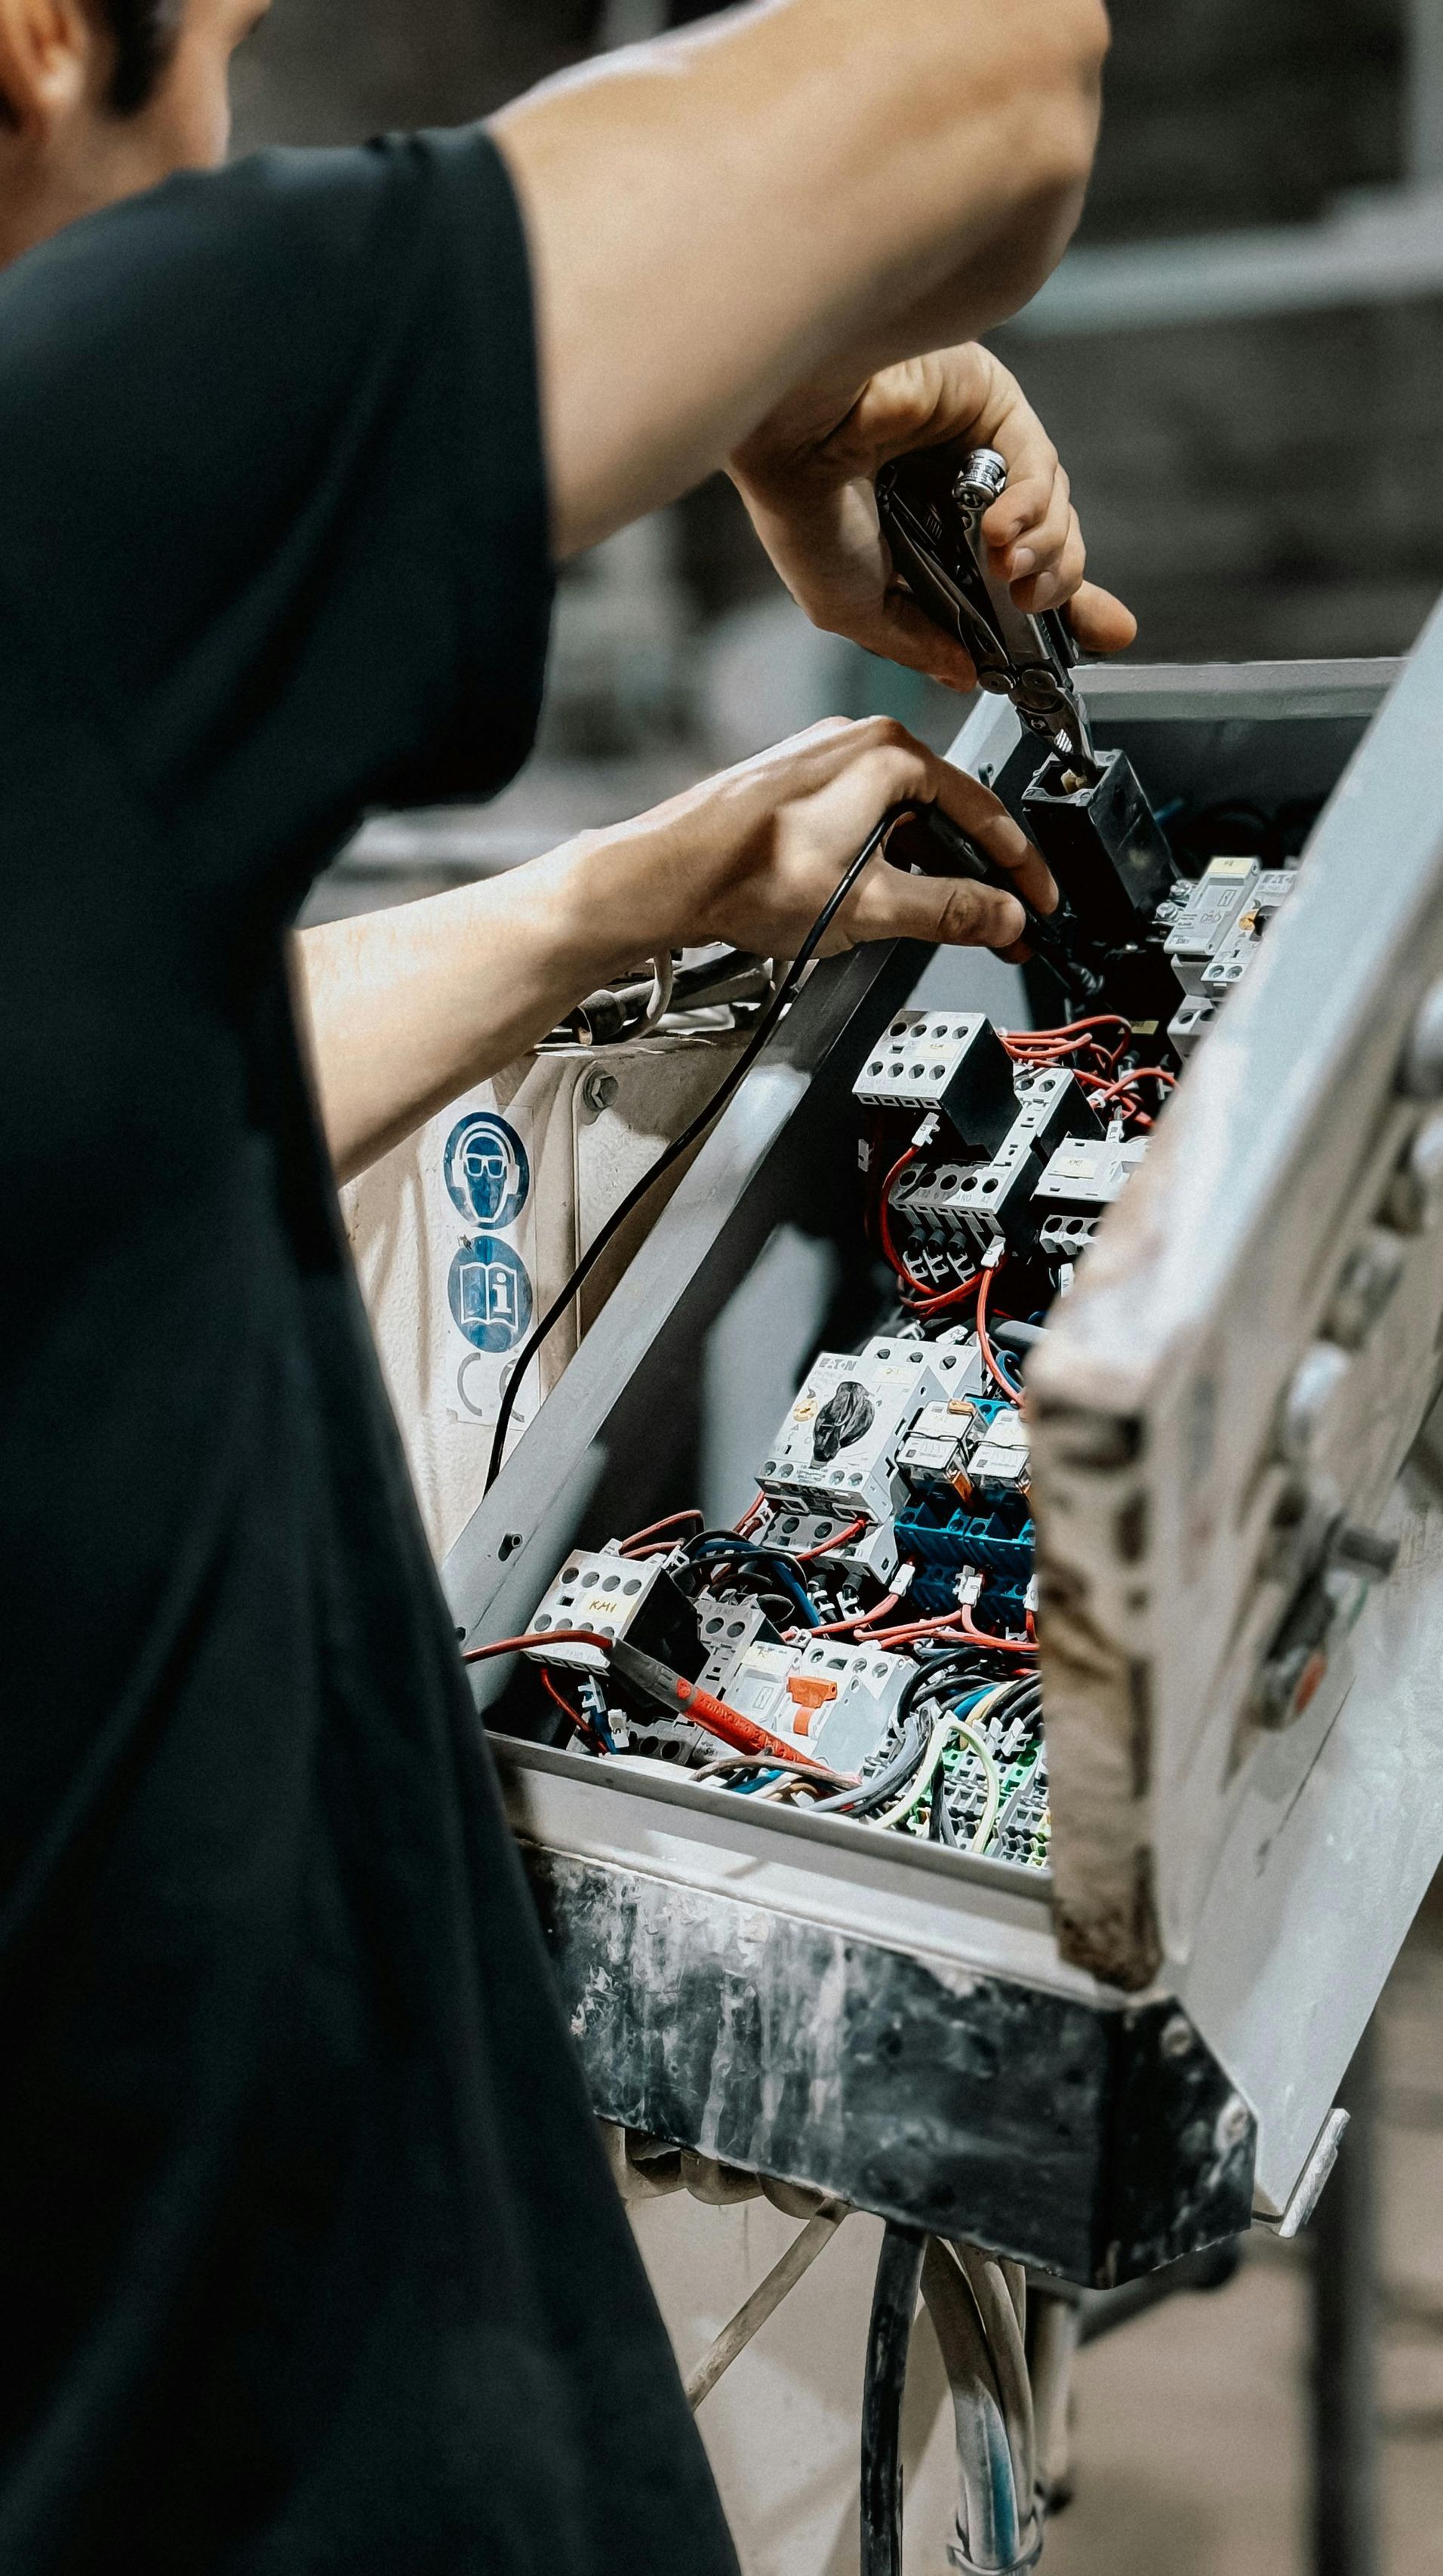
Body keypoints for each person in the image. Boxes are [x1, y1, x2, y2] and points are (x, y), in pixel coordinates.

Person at [0, 0, 1133, 2567]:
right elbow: (992, 70)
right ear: (47, 34)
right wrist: (789, 381)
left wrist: (609, 900)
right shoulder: (57, 452)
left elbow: (108, 1094)